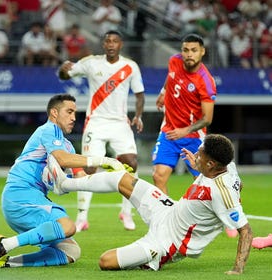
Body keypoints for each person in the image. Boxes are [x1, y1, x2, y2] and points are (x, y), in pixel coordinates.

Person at [44, 134, 253, 274]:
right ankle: (65, 184)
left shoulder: (221, 192)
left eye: (200, 155)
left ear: (211, 164)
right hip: (168, 209)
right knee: (122, 178)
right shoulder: (227, 167)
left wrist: (238, 269)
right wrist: (199, 167)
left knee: (105, 261)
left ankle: (147, 260)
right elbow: (238, 184)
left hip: (168, 242)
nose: (195, 156)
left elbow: (246, 231)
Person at [0, 94, 126, 269]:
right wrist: (103, 160)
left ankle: (6, 262)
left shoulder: (67, 146)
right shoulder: (48, 130)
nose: (73, 118)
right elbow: (62, 159)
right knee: (67, 226)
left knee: (70, 251)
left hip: (31, 199)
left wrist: (113, 179)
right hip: (21, 194)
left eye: (75, 113)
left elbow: (81, 179)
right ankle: (3, 245)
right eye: (69, 112)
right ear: (54, 113)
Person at [58, 30, 145, 232]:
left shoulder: (130, 66)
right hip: (96, 123)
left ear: (120, 44)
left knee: (131, 164)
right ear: (103, 44)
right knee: (89, 168)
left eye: (115, 41)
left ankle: (126, 212)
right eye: (107, 41)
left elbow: (140, 94)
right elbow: (66, 74)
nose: (111, 44)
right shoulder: (91, 62)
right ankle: (82, 217)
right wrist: (63, 70)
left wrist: (138, 116)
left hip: (120, 123)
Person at [152, 33, 216, 195]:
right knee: (158, 176)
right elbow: (171, 76)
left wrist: (185, 130)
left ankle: (208, 217)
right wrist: (163, 92)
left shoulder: (206, 82)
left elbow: (207, 118)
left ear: (202, 51)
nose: (189, 54)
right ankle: (166, 218)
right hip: (169, 132)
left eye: (194, 50)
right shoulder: (174, 60)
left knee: (203, 184)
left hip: (193, 137)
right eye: (185, 50)